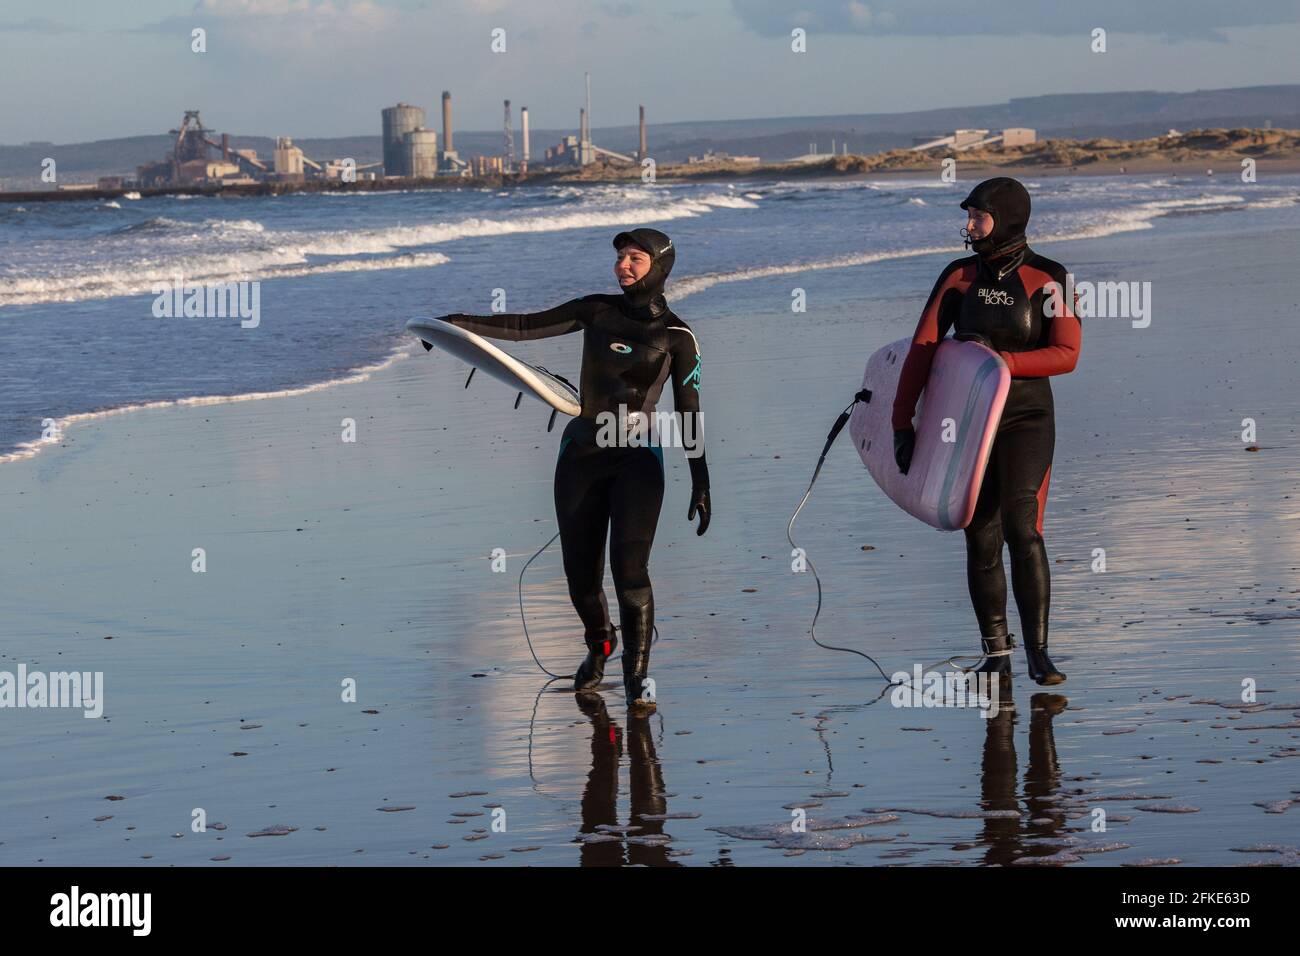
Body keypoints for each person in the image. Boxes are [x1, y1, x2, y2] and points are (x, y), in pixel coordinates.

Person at [432, 228, 710, 711]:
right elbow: (523, 326)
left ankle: (637, 679)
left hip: (637, 457)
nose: (623, 266)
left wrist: (701, 479)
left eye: (635, 258)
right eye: (620, 257)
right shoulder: (594, 309)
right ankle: (600, 644)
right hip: (580, 455)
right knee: (581, 576)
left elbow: (689, 410)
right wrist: (455, 328)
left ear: (660, 267)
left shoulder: (679, 337)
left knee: (629, 571)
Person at [891, 178, 1080, 685]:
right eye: (969, 216)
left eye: (979, 216)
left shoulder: (1048, 277)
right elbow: (923, 349)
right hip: (970, 420)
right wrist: (900, 421)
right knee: (980, 536)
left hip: (1025, 417)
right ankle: (997, 653)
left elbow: (1067, 354)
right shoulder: (957, 276)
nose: (970, 226)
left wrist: (1000, 362)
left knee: (1023, 527)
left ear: (1007, 217)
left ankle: (1038, 651)